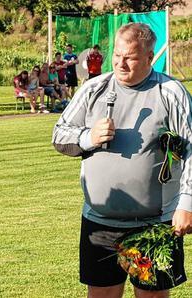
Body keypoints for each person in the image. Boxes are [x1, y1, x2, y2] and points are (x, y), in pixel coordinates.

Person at [52, 23, 192, 298]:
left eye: (131, 57)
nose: (121, 63)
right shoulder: (94, 88)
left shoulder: (171, 93)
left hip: (153, 223)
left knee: (151, 296)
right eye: (117, 55)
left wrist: (187, 202)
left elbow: (191, 149)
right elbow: (59, 135)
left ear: (150, 57)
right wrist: (88, 137)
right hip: (100, 221)